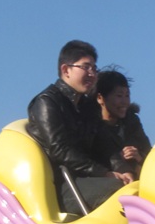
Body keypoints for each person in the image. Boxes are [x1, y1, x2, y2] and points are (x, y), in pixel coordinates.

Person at [27, 40, 132, 214]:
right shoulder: (47, 102)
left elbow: (104, 144)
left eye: (94, 68)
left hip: (88, 179)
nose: (92, 74)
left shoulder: (87, 106)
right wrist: (104, 173)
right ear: (66, 70)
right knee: (118, 189)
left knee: (136, 185)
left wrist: (123, 169)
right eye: (86, 67)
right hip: (62, 184)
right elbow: (60, 150)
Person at [92, 67, 151, 179]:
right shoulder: (92, 125)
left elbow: (150, 152)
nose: (124, 102)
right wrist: (119, 164)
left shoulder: (132, 121)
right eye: (119, 96)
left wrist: (140, 157)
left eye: (127, 95)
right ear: (100, 98)